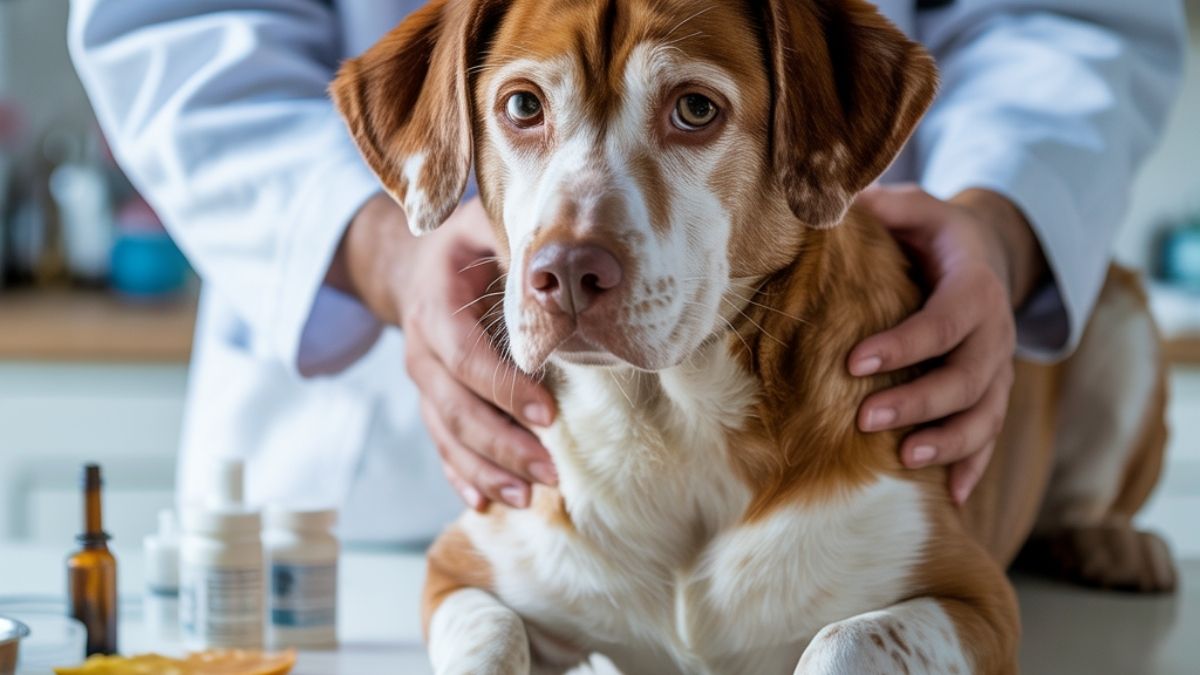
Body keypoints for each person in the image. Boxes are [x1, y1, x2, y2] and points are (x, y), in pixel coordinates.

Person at [68, 0, 1187, 543]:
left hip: (835, 407)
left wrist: (998, 220)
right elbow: (173, 25)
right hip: (373, 495)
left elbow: (1068, 15)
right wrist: (383, 250)